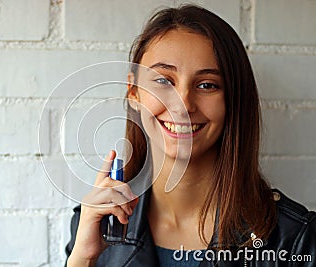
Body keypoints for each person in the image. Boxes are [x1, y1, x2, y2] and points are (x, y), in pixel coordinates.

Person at [65, 4, 316, 267]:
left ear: (234, 100)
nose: (183, 104)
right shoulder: (95, 224)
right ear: (133, 92)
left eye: (207, 85)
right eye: (163, 80)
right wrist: (83, 258)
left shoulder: (293, 239)